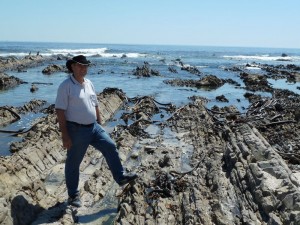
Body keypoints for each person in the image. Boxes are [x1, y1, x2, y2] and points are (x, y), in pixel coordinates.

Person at [55, 55, 138, 207]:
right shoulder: (66, 86)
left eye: (86, 66)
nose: (83, 68)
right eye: (80, 66)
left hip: (94, 128)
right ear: (72, 66)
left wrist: (100, 124)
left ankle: (120, 177)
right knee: (74, 163)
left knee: (110, 146)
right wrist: (65, 135)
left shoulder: (89, 83)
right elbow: (60, 110)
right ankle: (73, 196)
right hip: (76, 130)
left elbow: (95, 104)